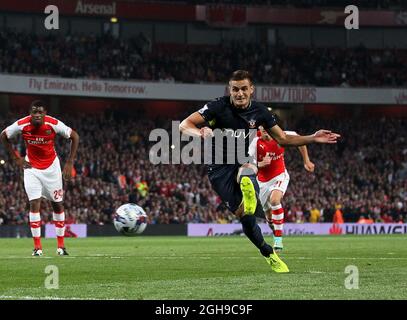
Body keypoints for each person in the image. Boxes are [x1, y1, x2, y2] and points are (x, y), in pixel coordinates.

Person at [179, 70, 340, 273]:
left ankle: (248, 186)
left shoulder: (260, 112)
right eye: (235, 89)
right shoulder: (217, 107)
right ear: (230, 90)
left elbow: (283, 139)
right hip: (219, 169)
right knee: (246, 218)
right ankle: (268, 252)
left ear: (251, 90)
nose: (239, 93)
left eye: (244, 89)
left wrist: (312, 138)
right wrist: (199, 132)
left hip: (242, 160)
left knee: (248, 167)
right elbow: (184, 125)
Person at [0, 100, 79, 256]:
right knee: (34, 203)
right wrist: (16, 158)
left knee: (57, 205)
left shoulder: (52, 123)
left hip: (52, 168)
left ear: (45, 113)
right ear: (30, 113)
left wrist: (69, 163)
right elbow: (4, 135)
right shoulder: (22, 124)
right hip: (31, 168)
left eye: (40, 112)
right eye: (34, 112)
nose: (36, 115)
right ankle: (37, 248)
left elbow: (75, 136)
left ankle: (61, 247)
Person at [248, 125, 315, 252]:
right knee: (269, 217)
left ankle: (278, 240)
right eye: (263, 131)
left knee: (275, 200)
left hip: (280, 175)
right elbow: (246, 163)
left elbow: (300, 140)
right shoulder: (254, 141)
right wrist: (260, 164)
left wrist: (306, 160)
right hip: (261, 182)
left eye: (268, 130)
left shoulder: (281, 135)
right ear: (259, 131)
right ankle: (274, 230)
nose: (267, 134)